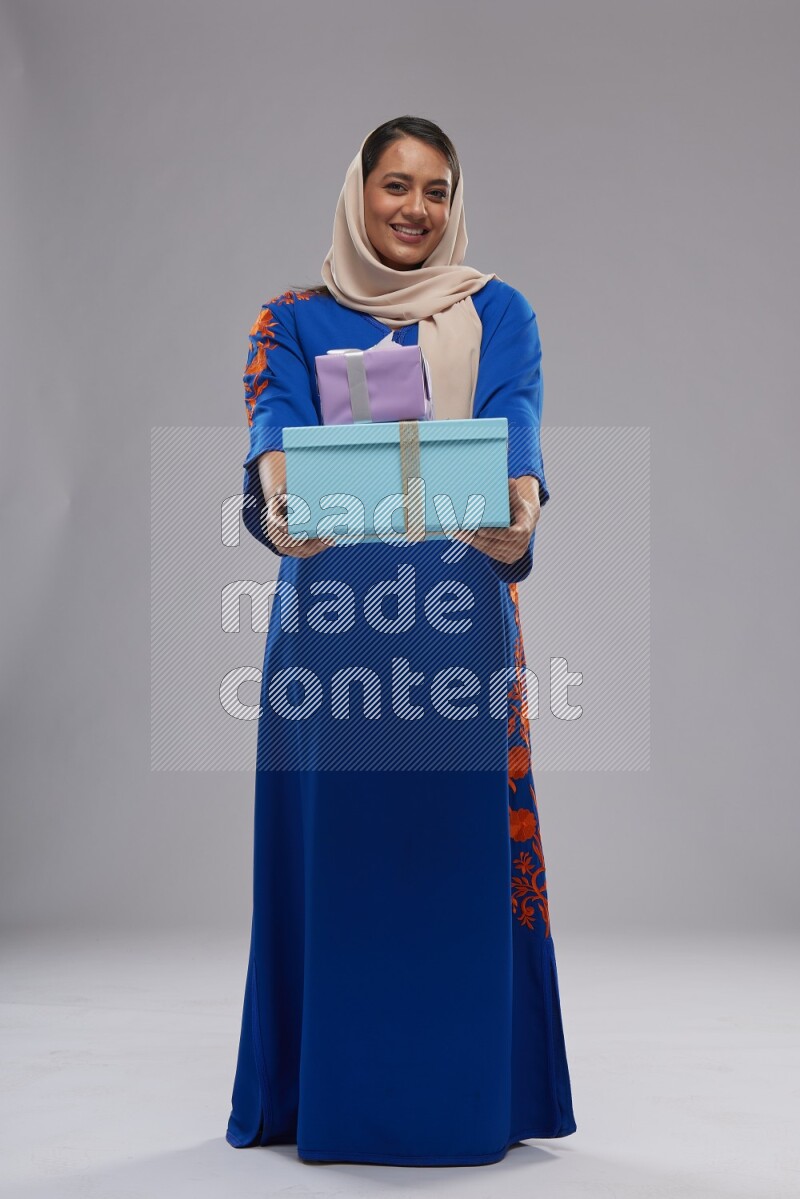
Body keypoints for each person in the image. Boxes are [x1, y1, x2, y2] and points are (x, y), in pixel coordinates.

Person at [226, 115, 577, 1167]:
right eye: (394, 184)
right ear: (357, 191)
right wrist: (275, 495)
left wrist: (520, 506)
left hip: (459, 620)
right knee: (342, 856)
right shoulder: (288, 317)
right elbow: (272, 427)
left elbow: (515, 418)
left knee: (452, 856)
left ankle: (463, 1094)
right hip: (334, 627)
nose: (414, 208)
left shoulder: (497, 309)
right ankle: (325, 1092)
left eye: (434, 188)